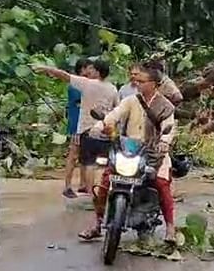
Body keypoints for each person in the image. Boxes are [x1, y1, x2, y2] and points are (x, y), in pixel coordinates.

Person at [79, 64, 177, 242]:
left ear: (154, 83)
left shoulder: (166, 106)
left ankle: (170, 229)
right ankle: (98, 223)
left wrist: (164, 142)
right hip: (129, 149)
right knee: (105, 182)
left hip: (155, 153)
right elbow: (115, 114)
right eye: (136, 80)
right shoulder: (131, 101)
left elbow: (169, 128)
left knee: (162, 184)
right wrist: (99, 126)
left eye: (141, 81)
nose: (137, 83)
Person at [34, 60, 119, 194]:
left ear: (97, 71)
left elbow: (63, 75)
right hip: (105, 130)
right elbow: (117, 109)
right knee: (104, 164)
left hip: (87, 130)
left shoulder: (87, 84)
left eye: (92, 69)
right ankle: (100, 191)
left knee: (89, 163)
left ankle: (90, 193)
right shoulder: (113, 88)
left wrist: (46, 68)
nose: (90, 71)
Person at [62, 58, 92, 199]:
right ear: (83, 69)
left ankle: (83, 184)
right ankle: (67, 186)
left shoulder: (85, 84)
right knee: (73, 155)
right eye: (89, 68)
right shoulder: (76, 86)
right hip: (77, 124)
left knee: (84, 156)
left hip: (84, 125)